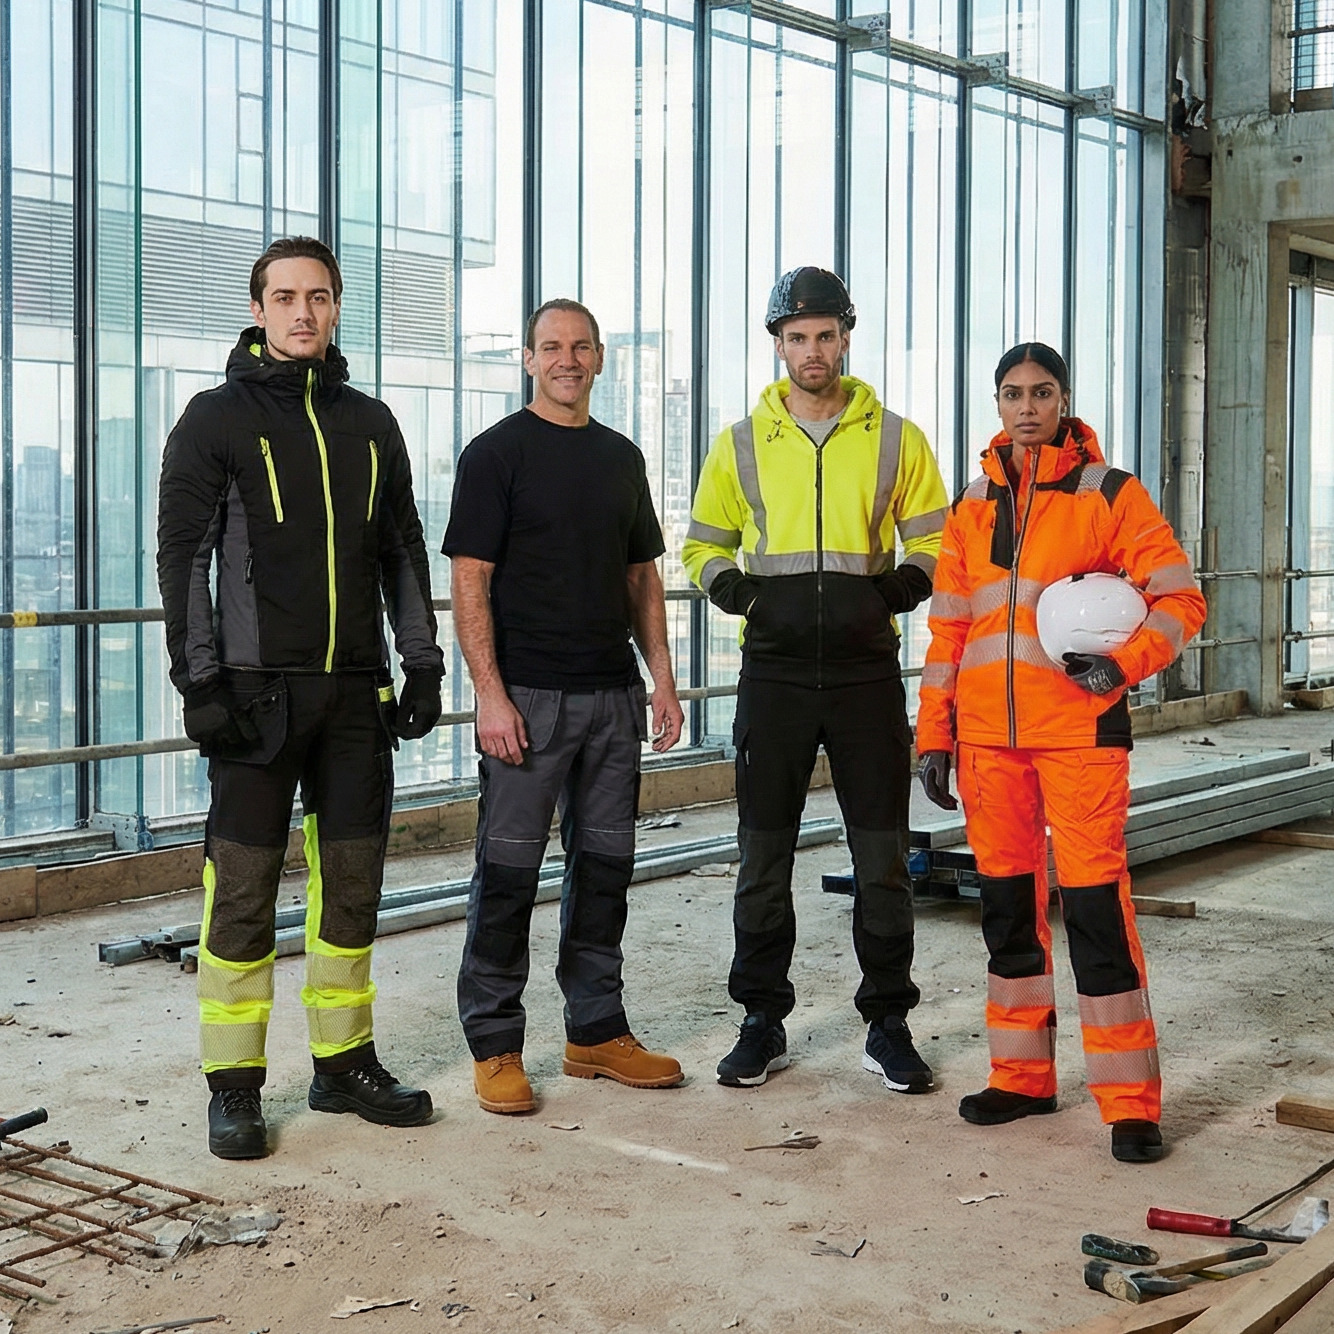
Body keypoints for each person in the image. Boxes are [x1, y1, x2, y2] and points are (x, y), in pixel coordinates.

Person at [157, 236, 444, 1160]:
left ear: (336, 307)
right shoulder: (213, 419)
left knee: (352, 883)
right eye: (284, 297)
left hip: (356, 695)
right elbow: (184, 560)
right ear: (257, 310)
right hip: (251, 695)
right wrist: (199, 682)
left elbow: (402, 550)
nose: (302, 313)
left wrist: (425, 660)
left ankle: (343, 1061)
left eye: (318, 296)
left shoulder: (372, 422)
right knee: (240, 890)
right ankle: (234, 1087)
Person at [916, 341, 1206, 1163]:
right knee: (1007, 913)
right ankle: (1021, 1078)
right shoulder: (971, 505)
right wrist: (935, 732)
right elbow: (948, 631)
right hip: (988, 747)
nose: (1027, 407)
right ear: (998, 405)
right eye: (1012, 394)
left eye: (1042, 393)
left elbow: (1182, 598)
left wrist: (1122, 663)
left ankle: (1128, 1103)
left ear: (1066, 400)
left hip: (1079, 736)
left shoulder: (1110, 495)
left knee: (1093, 914)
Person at [682, 267, 949, 1093]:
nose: (811, 350)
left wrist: (893, 592)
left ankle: (888, 1023)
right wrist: (746, 595)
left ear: (846, 338)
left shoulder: (898, 438)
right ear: (777, 345)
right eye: (796, 337)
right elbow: (701, 546)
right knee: (763, 859)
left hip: (869, 676)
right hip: (775, 677)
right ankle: (761, 1020)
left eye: (825, 334)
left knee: (880, 858)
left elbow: (939, 543)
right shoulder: (737, 442)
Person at [444, 298, 686, 1115]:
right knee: (508, 874)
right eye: (552, 347)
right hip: (529, 702)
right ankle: (496, 1043)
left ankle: (595, 1030)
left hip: (612, 697)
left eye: (581, 347)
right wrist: (490, 697)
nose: (567, 360)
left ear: (601, 359)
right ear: (527, 359)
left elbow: (640, 577)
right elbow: (469, 579)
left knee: (608, 872)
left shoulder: (622, 458)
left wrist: (661, 676)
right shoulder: (494, 455)